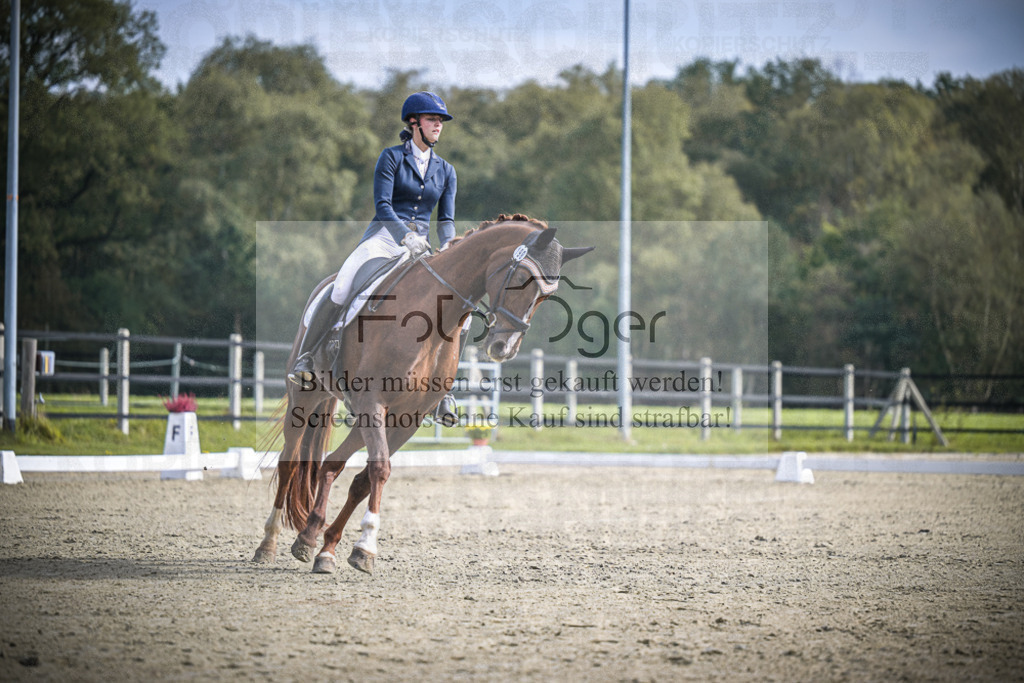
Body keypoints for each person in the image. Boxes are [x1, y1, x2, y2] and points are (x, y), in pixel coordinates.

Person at [288, 91, 461, 425]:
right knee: (342, 285)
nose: (438, 125)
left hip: (422, 246)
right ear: (414, 123)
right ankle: (306, 358)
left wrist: (449, 245)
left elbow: (447, 219)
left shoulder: (447, 170)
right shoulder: (392, 157)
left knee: (457, 310)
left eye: (440, 121)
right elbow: (382, 205)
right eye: (432, 119)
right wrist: (403, 236)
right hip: (385, 239)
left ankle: (444, 390)